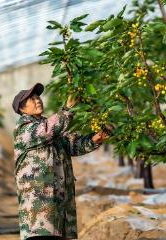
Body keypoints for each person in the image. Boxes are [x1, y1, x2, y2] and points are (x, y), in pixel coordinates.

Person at [12, 83, 109, 240]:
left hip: (60, 202)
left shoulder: (49, 126)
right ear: (22, 109)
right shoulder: (24, 128)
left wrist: (94, 139)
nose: (38, 100)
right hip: (39, 208)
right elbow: (48, 130)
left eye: (38, 97)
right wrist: (68, 108)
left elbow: (72, 145)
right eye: (32, 99)